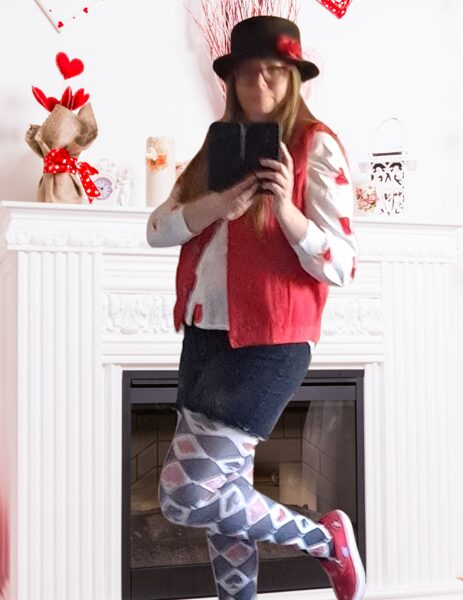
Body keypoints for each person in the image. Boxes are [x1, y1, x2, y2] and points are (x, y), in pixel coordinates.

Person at [146, 15, 364, 600]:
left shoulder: (316, 146)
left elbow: (344, 265)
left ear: (293, 79)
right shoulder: (215, 148)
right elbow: (157, 229)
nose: (260, 85)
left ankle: (325, 541)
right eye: (247, 73)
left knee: (185, 496)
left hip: (272, 341)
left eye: (273, 72)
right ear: (231, 81)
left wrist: (286, 210)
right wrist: (218, 204)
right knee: (226, 497)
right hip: (204, 337)